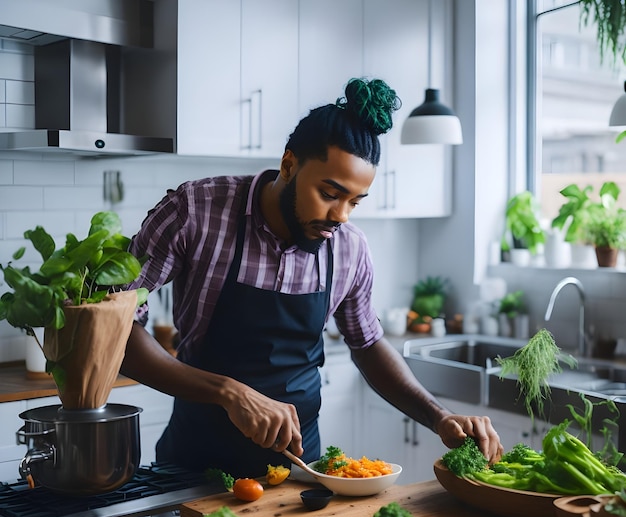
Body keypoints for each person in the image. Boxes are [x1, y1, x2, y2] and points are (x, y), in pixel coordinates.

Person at [121, 78, 503, 478]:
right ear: (289, 165)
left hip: (302, 470)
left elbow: (367, 343)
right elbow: (116, 325)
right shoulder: (197, 211)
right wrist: (229, 393)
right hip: (195, 464)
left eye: (354, 201)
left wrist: (439, 417)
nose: (342, 216)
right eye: (330, 193)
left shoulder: (350, 249)